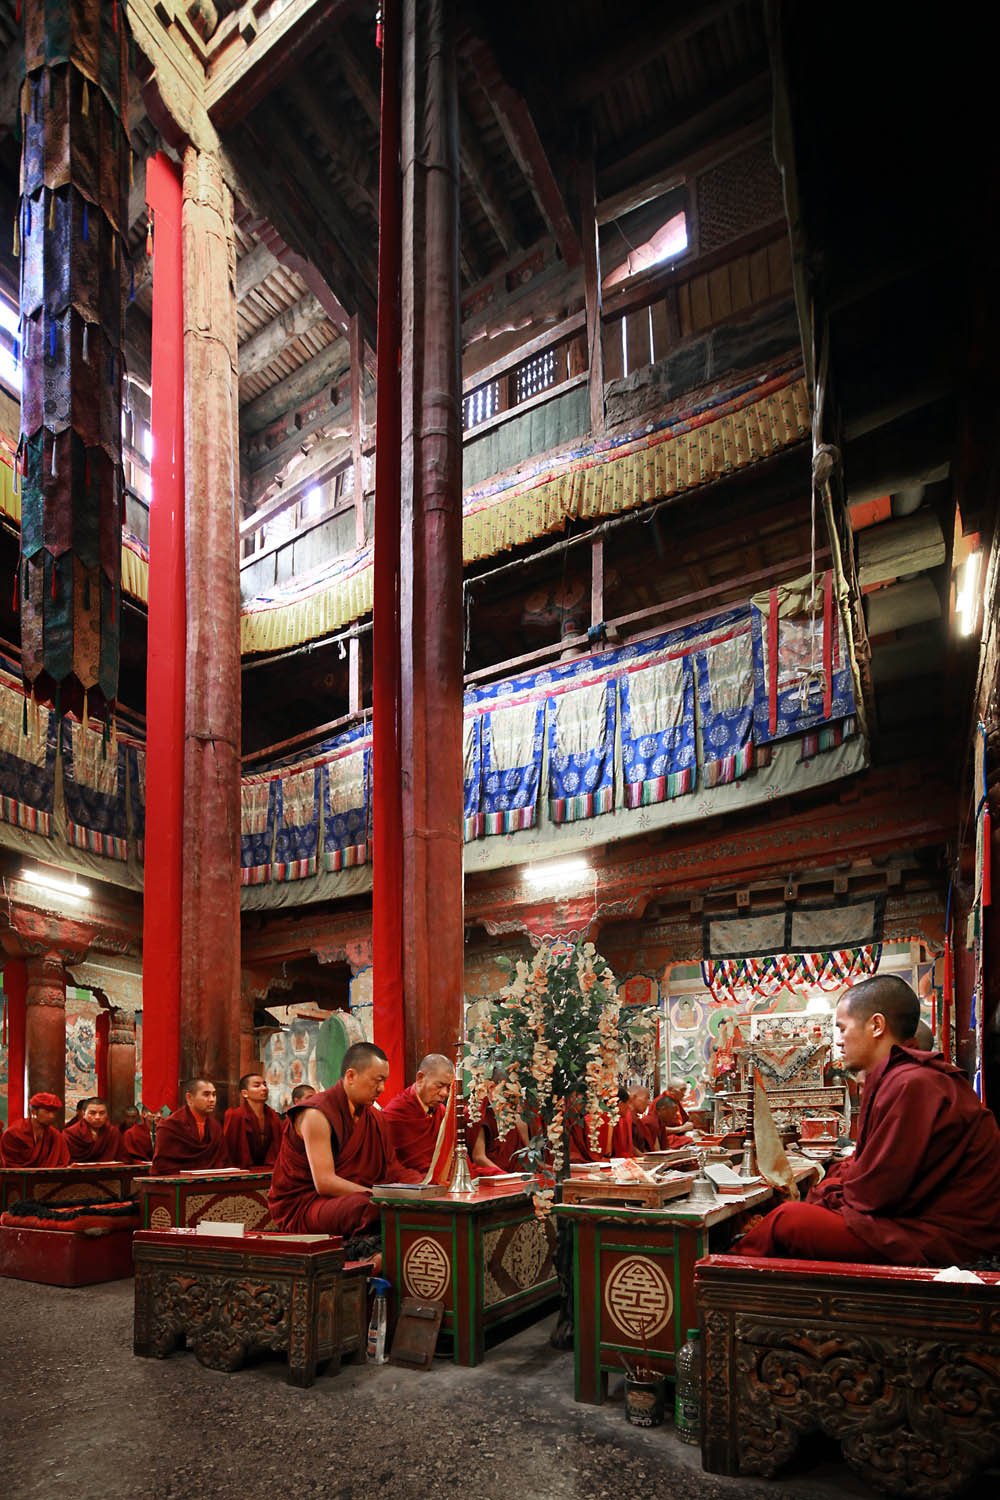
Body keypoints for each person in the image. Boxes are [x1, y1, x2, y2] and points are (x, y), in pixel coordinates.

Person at [738, 975, 1000, 1265]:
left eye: (842, 1028)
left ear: (876, 1026)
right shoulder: (902, 1079)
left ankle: (719, 1279)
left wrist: (827, 1197)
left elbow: (876, 1194)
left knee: (787, 1221)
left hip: (945, 1239)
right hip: (917, 1221)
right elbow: (872, 1171)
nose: (837, 1041)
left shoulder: (913, 1084)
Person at [268, 1041, 421, 1237]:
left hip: (352, 1198)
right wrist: (376, 1195)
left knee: (403, 1206)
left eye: (384, 1081)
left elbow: (392, 1169)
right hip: (306, 1205)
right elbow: (324, 1183)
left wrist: (425, 1185)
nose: (382, 1088)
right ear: (351, 1076)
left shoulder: (375, 1118)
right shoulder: (316, 1114)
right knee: (366, 1207)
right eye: (377, 1080)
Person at [381, 1053, 455, 1174]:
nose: (445, 1093)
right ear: (420, 1078)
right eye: (440, 1085)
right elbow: (395, 1167)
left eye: (448, 1087)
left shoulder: (441, 1112)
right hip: (414, 1184)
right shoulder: (396, 1113)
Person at [150, 1078, 230, 1174]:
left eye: (214, 1095)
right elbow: (163, 1165)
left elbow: (222, 1160)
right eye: (206, 1094)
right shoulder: (170, 1126)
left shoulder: (215, 1127)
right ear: (189, 1098)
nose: (212, 1099)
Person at [223, 1071, 283, 1169]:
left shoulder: (272, 1116)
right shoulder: (235, 1115)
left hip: (268, 1169)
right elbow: (231, 1149)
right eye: (257, 1086)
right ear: (245, 1093)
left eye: (264, 1084)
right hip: (242, 1170)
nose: (264, 1088)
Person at [0, 1093, 71, 1167]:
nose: (52, 1116)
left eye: (54, 1112)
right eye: (47, 1112)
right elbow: (10, 1165)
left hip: (49, 1177)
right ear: (33, 1111)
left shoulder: (54, 1135)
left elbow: (63, 1161)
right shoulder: (14, 1133)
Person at [63, 1097, 122, 1161]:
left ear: (107, 1114)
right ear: (83, 1114)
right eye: (92, 1113)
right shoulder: (70, 1133)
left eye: (102, 1113)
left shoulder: (113, 1132)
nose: (97, 1117)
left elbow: (122, 1158)